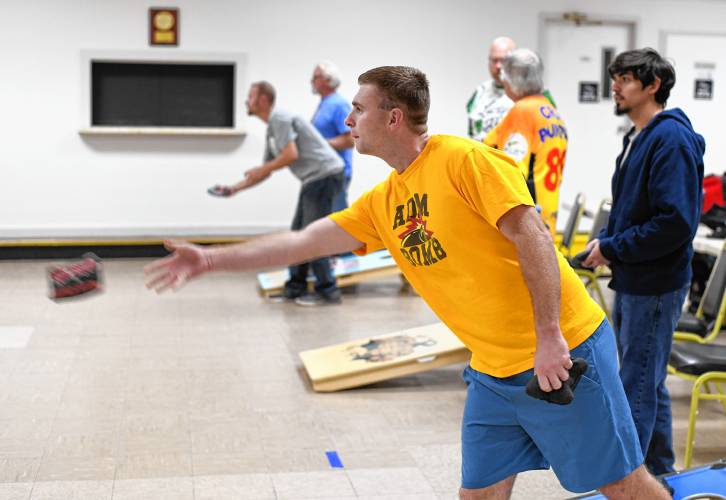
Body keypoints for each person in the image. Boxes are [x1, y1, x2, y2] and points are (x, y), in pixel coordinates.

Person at [147, 66, 670, 499]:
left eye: (359, 108)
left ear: (393, 117)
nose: (348, 118)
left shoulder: (464, 161)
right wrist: (211, 260)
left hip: (559, 354)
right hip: (492, 372)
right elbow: (302, 242)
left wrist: (551, 335)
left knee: (621, 485)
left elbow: (532, 235)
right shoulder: (385, 201)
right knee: (480, 493)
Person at [583, 48, 705, 476]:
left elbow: (674, 223)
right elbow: (637, 210)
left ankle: (632, 482)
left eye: (626, 79)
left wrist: (614, 247)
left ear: (653, 86)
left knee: (635, 385)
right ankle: (659, 473)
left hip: (655, 284)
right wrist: (607, 241)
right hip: (638, 279)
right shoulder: (640, 136)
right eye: (614, 77)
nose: (614, 86)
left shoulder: (669, 139)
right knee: (645, 381)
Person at [215, 81, 345, 306]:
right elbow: (265, 170)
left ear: (264, 100)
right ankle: (295, 287)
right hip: (313, 179)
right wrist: (234, 189)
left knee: (312, 236)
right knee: (298, 235)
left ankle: (328, 291)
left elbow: (290, 156)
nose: (247, 101)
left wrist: (263, 169)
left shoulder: (281, 118)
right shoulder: (272, 129)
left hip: (325, 176)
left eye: (251, 97)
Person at [485, 49, 568, 235]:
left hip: (526, 220)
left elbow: (512, 169)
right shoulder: (549, 110)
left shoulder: (522, 111)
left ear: (512, 80)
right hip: (547, 215)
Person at [311, 61, 354, 212]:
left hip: (336, 174)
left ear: (328, 80)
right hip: (323, 173)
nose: (312, 81)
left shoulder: (339, 105)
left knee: (337, 223)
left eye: (316, 77)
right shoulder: (324, 103)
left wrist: (318, 144)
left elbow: (350, 139)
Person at [466, 36, 516, 141]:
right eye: (494, 60)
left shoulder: (531, 92)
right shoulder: (480, 92)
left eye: (503, 60)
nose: (498, 66)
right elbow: (473, 132)